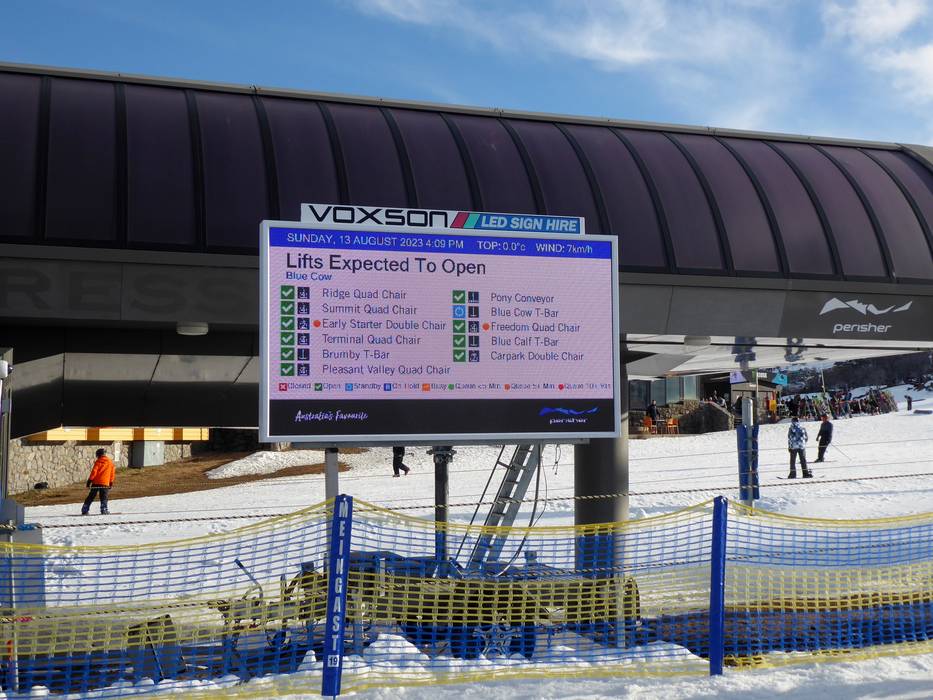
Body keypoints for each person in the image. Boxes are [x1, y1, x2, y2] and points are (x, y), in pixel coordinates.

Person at [81, 448, 114, 515]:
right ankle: (104, 509)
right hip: (105, 483)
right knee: (104, 497)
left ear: (99, 455)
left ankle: (85, 509)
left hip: (96, 483)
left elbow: (94, 472)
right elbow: (112, 473)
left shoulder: (98, 462)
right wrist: (111, 482)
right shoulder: (110, 462)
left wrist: (89, 481)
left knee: (91, 496)